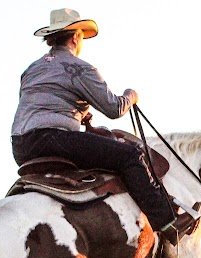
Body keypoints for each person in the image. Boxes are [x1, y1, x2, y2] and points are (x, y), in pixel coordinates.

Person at [11, 8, 186, 240]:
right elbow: (114, 108)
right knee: (129, 155)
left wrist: (82, 118)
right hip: (54, 139)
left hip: (21, 145)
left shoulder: (31, 70)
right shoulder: (79, 68)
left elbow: (43, 102)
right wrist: (131, 95)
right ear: (75, 37)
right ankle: (167, 223)